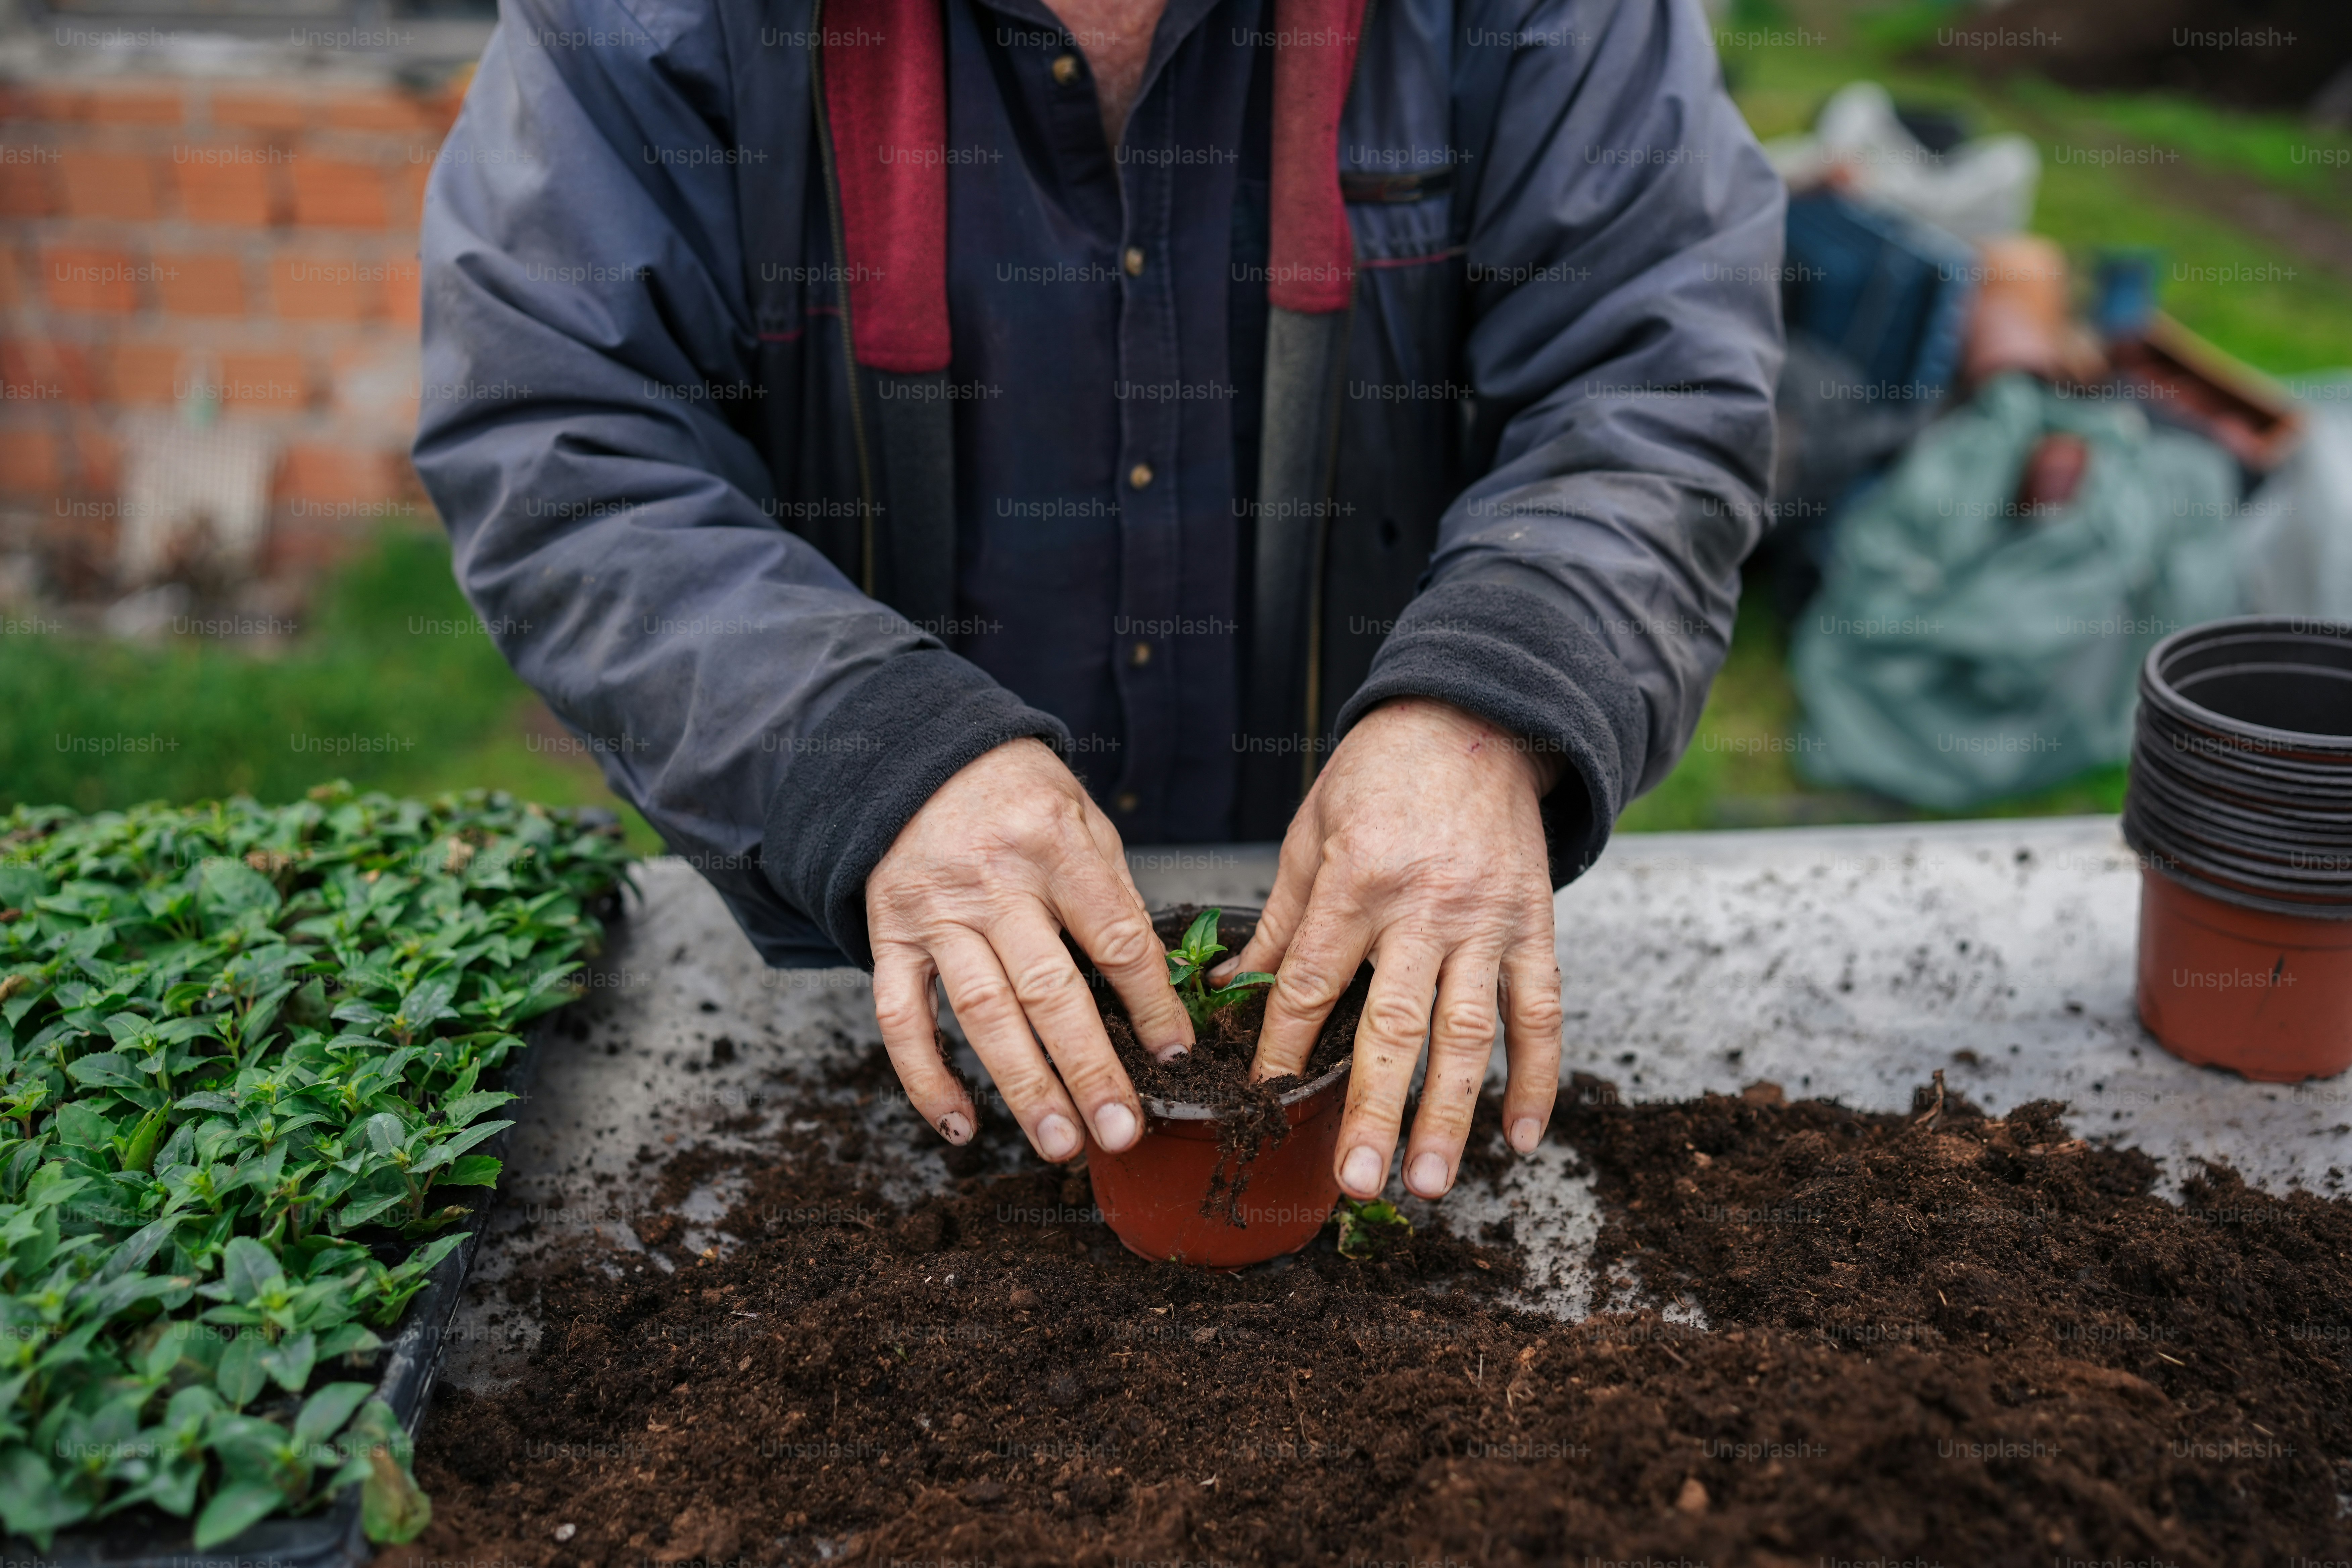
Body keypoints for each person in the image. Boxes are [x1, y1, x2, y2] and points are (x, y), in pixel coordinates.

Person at [413, 0, 1784, 1206]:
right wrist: (860, 744)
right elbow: (565, 433)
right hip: (870, 985)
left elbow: (1652, 382)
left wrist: (1495, 699)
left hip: (1372, 952)